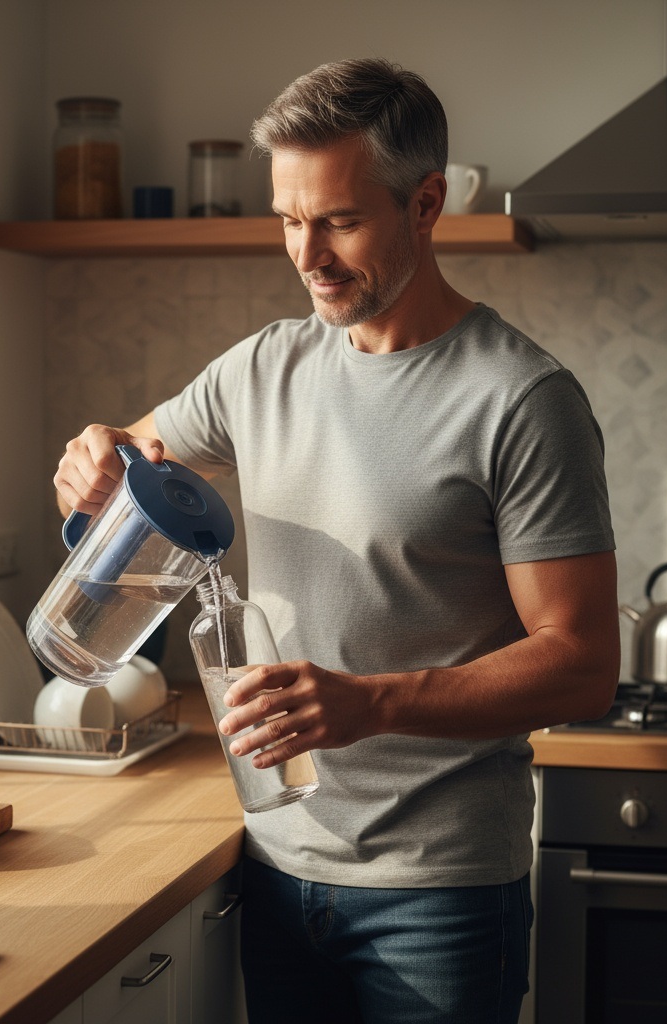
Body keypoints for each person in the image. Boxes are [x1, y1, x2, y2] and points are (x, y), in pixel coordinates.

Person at [52, 57, 619, 1024]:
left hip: (441, 894)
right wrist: (90, 459)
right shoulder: (261, 368)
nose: (306, 253)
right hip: (274, 862)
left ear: (426, 203)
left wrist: (370, 702)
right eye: (287, 219)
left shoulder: (521, 400)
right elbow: (125, 461)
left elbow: (582, 667)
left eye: (339, 221)